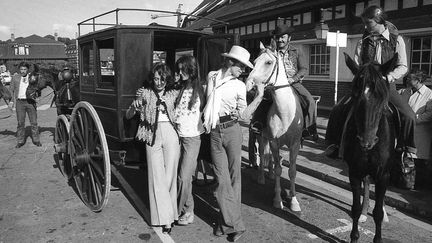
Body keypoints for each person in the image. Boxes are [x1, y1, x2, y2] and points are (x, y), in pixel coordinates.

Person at [325, 5, 415, 163]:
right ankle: (335, 144)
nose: (366, 26)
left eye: (369, 23)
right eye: (365, 23)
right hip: (365, 86)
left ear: (380, 21)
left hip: (386, 86)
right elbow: (359, 65)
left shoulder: (397, 40)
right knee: (338, 108)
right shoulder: (362, 42)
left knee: (409, 116)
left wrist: (388, 77)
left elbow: (403, 66)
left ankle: (406, 150)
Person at [202, 45, 264, 242]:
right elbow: (205, 99)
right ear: (231, 62)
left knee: (235, 177)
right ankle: (235, 224)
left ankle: (225, 222)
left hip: (232, 130)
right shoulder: (212, 76)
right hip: (214, 131)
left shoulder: (239, 85)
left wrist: (260, 96)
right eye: (241, 66)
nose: (243, 71)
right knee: (221, 180)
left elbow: (244, 116)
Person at [125, 63, 180, 234]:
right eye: (155, 78)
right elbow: (128, 115)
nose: (158, 82)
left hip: (171, 134)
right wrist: (134, 106)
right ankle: (165, 219)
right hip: (152, 136)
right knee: (157, 177)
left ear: (167, 78)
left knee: (170, 176)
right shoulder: (145, 93)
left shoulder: (174, 93)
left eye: (162, 78)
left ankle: (170, 215)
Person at [173, 56, 205, 226]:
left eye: (182, 69)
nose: (179, 73)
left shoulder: (201, 89)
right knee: (181, 177)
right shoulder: (180, 88)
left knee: (184, 178)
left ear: (191, 70)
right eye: (178, 70)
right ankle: (189, 210)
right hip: (178, 136)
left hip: (192, 138)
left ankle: (175, 211)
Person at [273, 24, 318, 139]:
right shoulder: (271, 52)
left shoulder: (296, 51)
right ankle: (259, 124)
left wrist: (294, 78)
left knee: (310, 101)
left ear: (289, 38)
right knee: (263, 100)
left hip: (293, 83)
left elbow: (303, 69)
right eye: (278, 37)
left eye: (283, 37)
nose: (280, 40)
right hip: (274, 85)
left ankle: (308, 129)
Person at [399, 69, 432, 160]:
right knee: (404, 162)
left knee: (418, 162)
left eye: (410, 78)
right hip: (404, 133)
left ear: (418, 80)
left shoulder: (429, 94)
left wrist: (412, 118)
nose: (407, 80)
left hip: (420, 134)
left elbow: (429, 115)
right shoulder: (405, 92)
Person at [8, 62, 41, 148]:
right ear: (19, 70)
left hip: (30, 102)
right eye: (21, 69)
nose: (23, 71)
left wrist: (37, 96)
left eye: (24, 69)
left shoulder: (32, 77)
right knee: (20, 123)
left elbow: (37, 87)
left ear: (27, 70)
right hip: (20, 103)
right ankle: (20, 140)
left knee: (34, 122)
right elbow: (11, 90)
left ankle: (36, 140)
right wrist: (11, 102)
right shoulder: (15, 78)